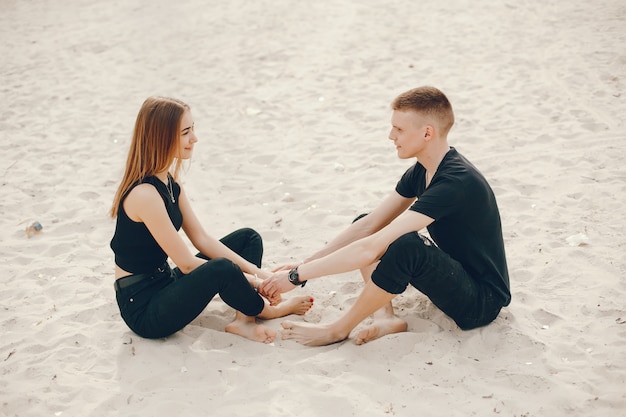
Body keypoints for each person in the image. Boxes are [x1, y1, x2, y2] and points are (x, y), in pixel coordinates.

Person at [259, 86, 510, 346]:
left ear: (427, 133)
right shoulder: (423, 170)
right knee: (368, 223)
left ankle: (338, 329)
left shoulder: (455, 182)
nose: (391, 136)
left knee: (407, 246)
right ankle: (385, 318)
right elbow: (368, 227)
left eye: (399, 129)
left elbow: (370, 249)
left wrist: (296, 277)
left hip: (481, 303)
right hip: (455, 277)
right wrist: (304, 264)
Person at [110, 96, 313, 343]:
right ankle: (268, 310)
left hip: (165, 281)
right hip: (144, 308)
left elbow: (202, 239)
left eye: (193, 129)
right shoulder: (144, 195)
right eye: (186, 132)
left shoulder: (170, 182)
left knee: (247, 238)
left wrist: (261, 273)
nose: (194, 138)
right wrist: (257, 285)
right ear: (161, 137)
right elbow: (186, 264)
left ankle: (244, 320)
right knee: (223, 268)